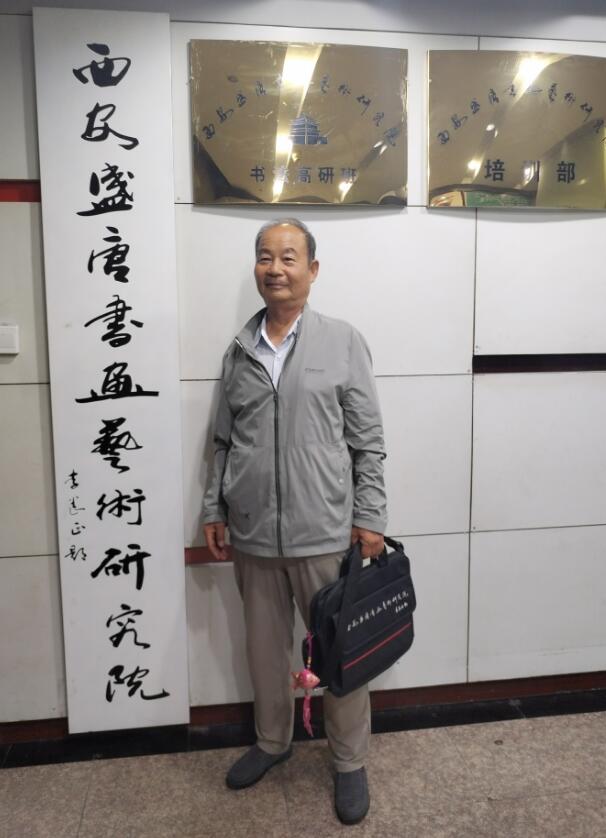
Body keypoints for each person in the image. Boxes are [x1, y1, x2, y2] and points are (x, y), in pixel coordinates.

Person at [203, 218, 387, 825]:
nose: (274, 268)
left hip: (324, 531)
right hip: (254, 533)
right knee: (264, 652)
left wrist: (370, 516)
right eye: (265, 257)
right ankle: (271, 742)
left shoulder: (342, 341)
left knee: (342, 655)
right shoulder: (240, 350)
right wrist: (214, 508)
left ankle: (349, 761)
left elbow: (367, 442)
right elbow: (223, 441)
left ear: (312, 269)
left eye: (288, 257)